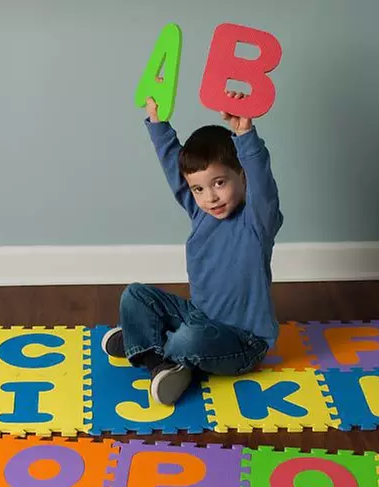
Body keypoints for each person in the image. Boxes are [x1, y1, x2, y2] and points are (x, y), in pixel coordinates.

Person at [102, 89, 283, 405]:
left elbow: (263, 184)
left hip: (244, 342)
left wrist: (245, 134)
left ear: (242, 176)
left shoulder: (258, 221)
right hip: (200, 317)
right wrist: (158, 121)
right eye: (199, 189)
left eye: (220, 183)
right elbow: (175, 166)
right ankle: (154, 356)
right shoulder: (201, 211)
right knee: (135, 294)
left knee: (189, 338)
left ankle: (147, 346)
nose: (210, 197)